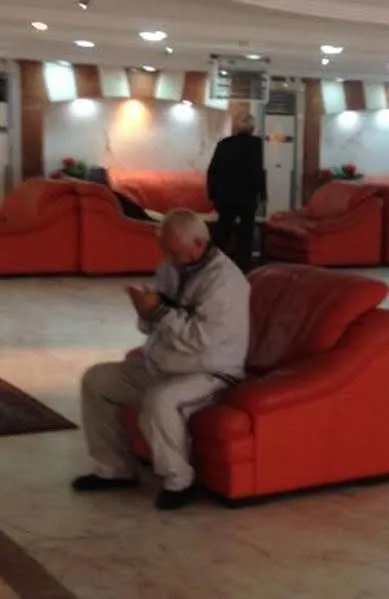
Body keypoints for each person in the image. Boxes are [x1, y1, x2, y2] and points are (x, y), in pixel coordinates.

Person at [71, 209, 251, 511]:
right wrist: (145, 311)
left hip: (209, 372)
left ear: (199, 244)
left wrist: (157, 311)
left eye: (174, 251)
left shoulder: (226, 283)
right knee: (97, 380)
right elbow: (154, 323)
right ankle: (114, 470)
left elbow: (199, 339)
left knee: (160, 400)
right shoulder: (172, 265)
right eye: (164, 249)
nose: (167, 257)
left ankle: (180, 481)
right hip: (163, 364)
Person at [207, 114, 266, 272]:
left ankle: (213, 262)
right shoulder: (257, 144)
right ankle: (243, 266)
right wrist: (262, 194)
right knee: (246, 231)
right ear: (252, 129)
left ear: (237, 128)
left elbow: (213, 170)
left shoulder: (224, 144)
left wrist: (212, 194)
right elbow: (259, 171)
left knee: (223, 229)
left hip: (226, 195)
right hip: (247, 195)